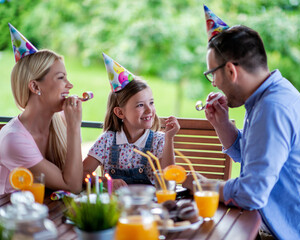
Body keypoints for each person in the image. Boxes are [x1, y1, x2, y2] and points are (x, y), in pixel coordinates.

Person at [183, 6, 300, 239]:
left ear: (230, 71)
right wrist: (222, 125)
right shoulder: (267, 96)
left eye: (212, 74)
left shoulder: (272, 109)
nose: (213, 84)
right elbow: (253, 158)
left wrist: (202, 185)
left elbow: (251, 193)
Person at [0, 24, 83, 194]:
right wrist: (74, 127)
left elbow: (74, 175)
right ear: (35, 86)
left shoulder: (60, 120)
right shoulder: (14, 139)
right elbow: (71, 186)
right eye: (61, 78)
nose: (70, 85)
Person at [83, 53, 180, 189]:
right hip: (116, 208)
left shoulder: (159, 141)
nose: (149, 110)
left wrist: (169, 138)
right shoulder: (107, 141)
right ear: (120, 112)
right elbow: (83, 172)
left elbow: (169, 180)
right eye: (140, 105)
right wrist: (105, 183)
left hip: (148, 207)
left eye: (151, 103)